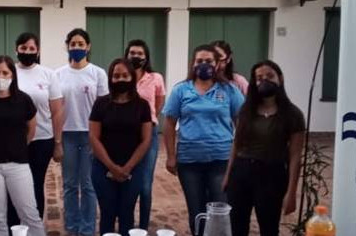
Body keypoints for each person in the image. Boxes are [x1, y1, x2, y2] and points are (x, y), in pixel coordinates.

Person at [162, 44, 244, 236]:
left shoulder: (229, 90)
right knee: (197, 211)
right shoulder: (181, 90)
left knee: (219, 210)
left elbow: (242, 122)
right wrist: (171, 156)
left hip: (221, 160)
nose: (204, 64)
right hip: (189, 162)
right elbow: (169, 123)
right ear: (193, 63)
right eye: (199, 61)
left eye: (209, 61)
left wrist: (238, 153)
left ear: (217, 64)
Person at [224, 60, 305, 236]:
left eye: (269, 76)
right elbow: (236, 144)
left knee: (269, 228)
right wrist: (228, 175)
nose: (264, 81)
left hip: (272, 175)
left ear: (280, 79)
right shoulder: (246, 110)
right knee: (237, 227)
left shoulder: (293, 115)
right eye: (259, 78)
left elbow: (295, 156)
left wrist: (291, 192)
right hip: (242, 172)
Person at [0, 55, 46, 236]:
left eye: (5, 73)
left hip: (18, 164)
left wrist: (16, 147)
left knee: (29, 212)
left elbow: (31, 130)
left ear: (13, 75)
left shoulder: (24, 100)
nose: (1, 77)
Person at [6, 32, 64, 227]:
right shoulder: (9, 72)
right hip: (13, 141)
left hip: (42, 140)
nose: (28, 51)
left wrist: (57, 142)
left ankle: (34, 227)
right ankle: (13, 227)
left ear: (38, 51)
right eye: (24, 48)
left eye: (32, 48)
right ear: (16, 49)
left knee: (35, 184)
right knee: (12, 185)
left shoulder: (48, 74)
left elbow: (57, 111)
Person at [89, 58, 152, 235]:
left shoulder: (142, 105)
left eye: (125, 75)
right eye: (116, 76)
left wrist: (128, 167)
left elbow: (146, 139)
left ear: (132, 77)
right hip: (103, 167)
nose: (121, 79)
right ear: (110, 78)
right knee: (107, 213)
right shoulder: (101, 103)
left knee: (127, 213)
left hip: (133, 168)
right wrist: (112, 167)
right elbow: (93, 137)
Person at [57, 28, 108, 236]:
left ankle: (87, 228)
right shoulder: (58, 74)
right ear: (67, 46)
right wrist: (57, 140)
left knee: (88, 184)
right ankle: (71, 225)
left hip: (90, 135)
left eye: (81, 44)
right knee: (69, 184)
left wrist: (101, 138)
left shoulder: (98, 73)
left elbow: (104, 107)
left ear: (88, 47)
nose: (77, 47)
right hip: (67, 134)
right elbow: (56, 108)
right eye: (73, 44)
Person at [125, 39, 165, 231]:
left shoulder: (155, 78)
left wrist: (149, 119)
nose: (136, 56)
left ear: (146, 57)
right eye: (132, 53)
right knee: (128, 180)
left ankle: (142, 227)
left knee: (145, 185)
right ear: (127, 55)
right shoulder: (123, 76)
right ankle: (127, 224)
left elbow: (158, 102)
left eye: (140, 53)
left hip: (149, 134)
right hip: (127, 135)